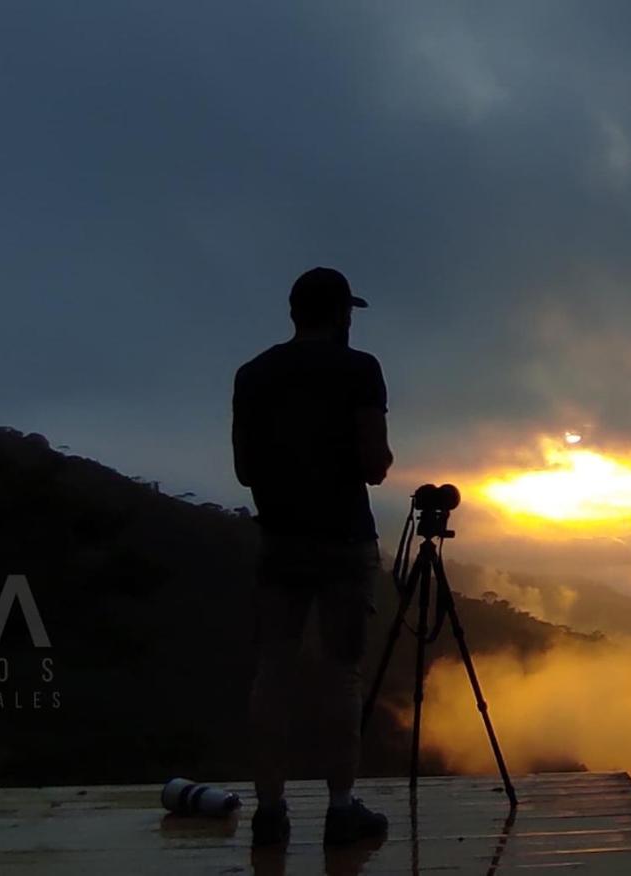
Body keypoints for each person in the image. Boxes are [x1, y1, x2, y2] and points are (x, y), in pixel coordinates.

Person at [232, 266, 394, 848]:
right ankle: (339, 809)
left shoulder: (253, 375)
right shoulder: (360, 370)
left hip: (279, 541)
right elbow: (375, 463)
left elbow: (245, 469)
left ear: (294, 313)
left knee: (273, 672)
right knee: (339, 676)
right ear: (342, 315)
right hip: (344, 542)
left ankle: (270, 811)